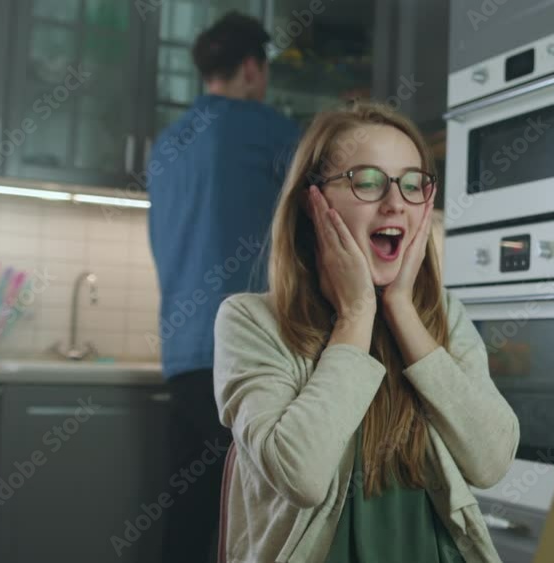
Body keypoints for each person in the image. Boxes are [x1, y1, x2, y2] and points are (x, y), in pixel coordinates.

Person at [212, 100, 520, 562]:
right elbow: (302, 476)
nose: (396, 202)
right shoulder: (250, 322)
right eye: (368, 182)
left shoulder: (443, 317)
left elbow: (492, 460)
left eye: (413, 184)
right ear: (312, 202)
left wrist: (400, 307)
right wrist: (356, 314)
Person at [147, 11, 299, 563]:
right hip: (243, 353)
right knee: (256, 517)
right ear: (253, 70)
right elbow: (320, 209)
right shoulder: (266, 129)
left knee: (188, 515)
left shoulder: (165, 145)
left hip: (183, 358)